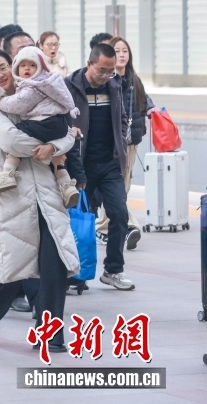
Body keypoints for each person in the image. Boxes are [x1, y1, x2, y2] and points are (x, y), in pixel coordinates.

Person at [0, 49, 80, 353]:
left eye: (4, 67)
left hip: (46, 190)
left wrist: (54, 145)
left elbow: (68, 131)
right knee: (17, 269)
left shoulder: (37, 90)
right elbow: (11, 140)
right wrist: (46, 147)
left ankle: (51, 333)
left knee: (54, 264)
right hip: (13, 193)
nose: (1, 74)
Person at [64, 43, 135, 291]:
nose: (105, 75)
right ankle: (77, 273)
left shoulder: (115, 86)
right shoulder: (69, 87)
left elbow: (123, 118)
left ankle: (113, 270)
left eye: (110, 70)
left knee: (119, 214)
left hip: (108, 165)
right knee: (81, 219)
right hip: (79, 165)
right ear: (89, 64)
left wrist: (120, 147)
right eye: (101, 70)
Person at [0, 47, 80, 208]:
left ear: (40, 67)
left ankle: (8, 173)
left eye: (31, 65)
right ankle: (66, 184)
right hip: (56, 124)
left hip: (44, 122)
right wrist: (53, 149)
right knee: (56, 158)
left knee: (19, 131)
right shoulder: (48, 83)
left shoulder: (35, 85)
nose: (26, 69)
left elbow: (17, 104)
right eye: (22, 65)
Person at [95, 37, 153, 250]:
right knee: (114, 186)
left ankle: (109, 225)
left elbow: (145, 100)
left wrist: (151, 111)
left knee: (124, 186)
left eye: (125, 51)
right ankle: (118, 226)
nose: (121, 54)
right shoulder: (105, 80)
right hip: (111, 143)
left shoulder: (134, 79)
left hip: (130, 141)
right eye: (117, 50)